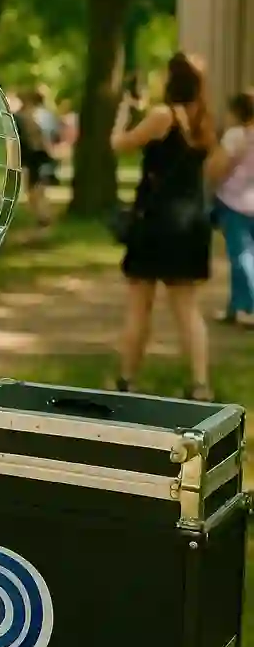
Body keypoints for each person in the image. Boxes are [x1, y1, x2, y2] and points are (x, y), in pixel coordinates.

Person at [110, 51, 216, 400]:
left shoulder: (162, 115)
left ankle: (127, 378)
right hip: (191, 221)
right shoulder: (203, 121)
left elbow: (120, 144)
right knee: (187, 308)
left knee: (140, 303)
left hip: (156, 222)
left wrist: (125, 109)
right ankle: (200, 383)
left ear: (172, 79)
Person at [206, 90, 254, 328]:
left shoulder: (236, 135)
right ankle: (236, 307)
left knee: (241, 256)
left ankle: (250, 307)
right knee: (245, 257)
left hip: (236, 203)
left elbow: (216, 168)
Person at [16, 87, 60, 227]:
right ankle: (42, 215)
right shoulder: (47, 115)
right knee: (37, 188)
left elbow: (37, 137)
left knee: (35, 188)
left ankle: (43, 216)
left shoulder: (32, 115)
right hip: (42, 155)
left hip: (37, 154)